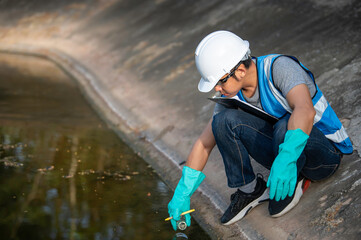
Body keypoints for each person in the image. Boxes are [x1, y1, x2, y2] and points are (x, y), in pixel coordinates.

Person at [167, 30, 353, 230]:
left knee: (285, 123)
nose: (217, 89)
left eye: (220, 81)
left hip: (325, 155)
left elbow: (305, 111)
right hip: (284, 153)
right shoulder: (232, 95)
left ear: (239, 71)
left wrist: (286, 159)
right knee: (222, 121)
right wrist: (182, 193)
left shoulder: (280, 68)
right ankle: (250, 190)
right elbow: (204, 144)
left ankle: (294, 173)